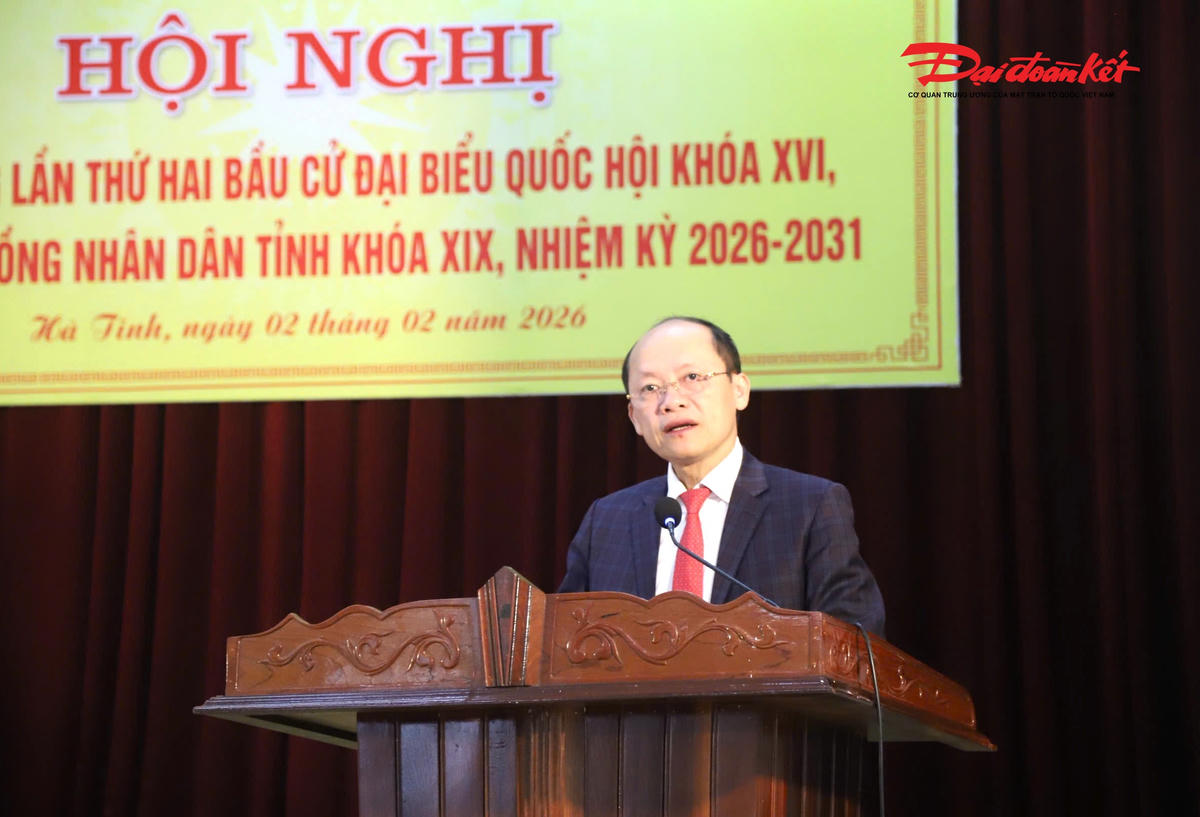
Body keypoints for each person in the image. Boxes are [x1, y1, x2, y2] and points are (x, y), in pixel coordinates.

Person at [557, 316, 886, 635]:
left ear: (739, 390)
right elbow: (563, 643)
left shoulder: (810, 507)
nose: (671, 402)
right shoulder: (606, 520)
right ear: (634, 417)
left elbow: (855, 647)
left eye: (692, 377)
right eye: (650, 387)